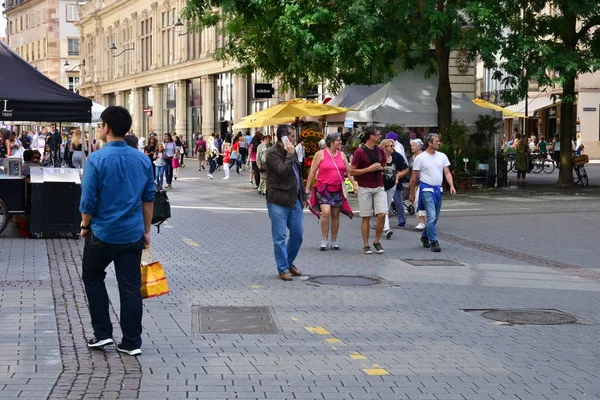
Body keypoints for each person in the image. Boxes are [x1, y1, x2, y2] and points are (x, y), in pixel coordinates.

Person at [79, 106, 155, 356]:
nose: (100, 129)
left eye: (101, 125)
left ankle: (102, 334)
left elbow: (88, 200)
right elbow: (148, 199)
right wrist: (146, 231)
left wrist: (85, 225)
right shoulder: (143, 159)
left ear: (107, 128)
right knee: (130, 285)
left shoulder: (96, 159)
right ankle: (132, 341)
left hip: (102, 232)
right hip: (132, 233)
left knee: (92, 276)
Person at [265, 125, 306, 281]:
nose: (294, 139)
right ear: (283, 138)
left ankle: (289, 263)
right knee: (280, 237)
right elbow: (282, 171)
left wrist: (304, 195)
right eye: (292, 136)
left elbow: (297, 173)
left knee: (298, 235)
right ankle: (282, 269)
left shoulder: (293, 152)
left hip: (294, 200)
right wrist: (289, 155)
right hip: (278, 201)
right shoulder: (272, 154)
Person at [305, 132, 355, 250]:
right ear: (331, 142)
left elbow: (348, 171)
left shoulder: (342, 155)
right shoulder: (320, 154)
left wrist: (354, 185)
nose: (340, 142)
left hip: (337, 188)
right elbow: (312, 172)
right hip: (323, 188)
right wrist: (307, 188)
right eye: (338, 140)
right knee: (326, 212)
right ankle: (324, 239)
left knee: (335, 215)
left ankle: (334, 239)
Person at [409, 133, 456, 253]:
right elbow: (414, 177)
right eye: (436, 141)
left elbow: (447, 172)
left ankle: (425, 235)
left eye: (438, 141)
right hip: (426, 190)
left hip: (438, 189)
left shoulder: (442, 156)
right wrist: (412, 193)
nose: (439, 143)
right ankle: (433, 240)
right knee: (432, 215)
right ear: (429, 143)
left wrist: (451, 185)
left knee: (435, 217)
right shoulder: (420, 158)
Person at [350, 126, 387, 255]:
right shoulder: (360, 152)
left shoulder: (380, 150)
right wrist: (368, 169)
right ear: (371, 136)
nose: (380, 136)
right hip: (364, 186)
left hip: (379, 185)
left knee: (382, 214)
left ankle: (376, 241)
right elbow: (352, 170)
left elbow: (384, 165)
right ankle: (366, 245)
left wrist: (381, 168)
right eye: (378, 134)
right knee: (366, 216)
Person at [379, 138, 409, 238]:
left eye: (393, 145)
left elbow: (403, 169)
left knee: (387, 206)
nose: (393, 148)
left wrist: (397, 178)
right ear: (385, 147)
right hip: (381, 185)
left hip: (392, 185)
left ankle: (382, 225)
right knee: (384, 208)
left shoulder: (396, 157)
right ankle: (386, 228)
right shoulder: (379, 157)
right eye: (391, 146)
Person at [409, 139, 427, 230]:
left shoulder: (424, 156)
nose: (412, 147)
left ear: (419, 146)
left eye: (414, 145)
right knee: (416, 201)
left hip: (423, 182)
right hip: (415, 182)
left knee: (417, 201)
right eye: (411, 145)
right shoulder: (412, 157)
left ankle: (422, 221)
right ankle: (422, 221)